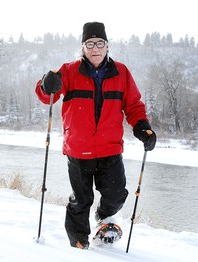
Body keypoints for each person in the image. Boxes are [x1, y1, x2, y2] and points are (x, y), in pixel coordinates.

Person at [35, 22, 156, 249]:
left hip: (110, 148)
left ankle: (104, 218)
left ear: (107, 46)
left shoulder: (122, 72)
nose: (95, 48)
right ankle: (79, 243)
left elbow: (133, 106)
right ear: (83, 48)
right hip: (79, 150)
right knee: (81, 200)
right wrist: (45, 84)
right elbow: (48, 95)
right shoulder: (70, 71)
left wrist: (142, 127)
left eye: (100, 43)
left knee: (117, 194)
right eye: (90, 44)